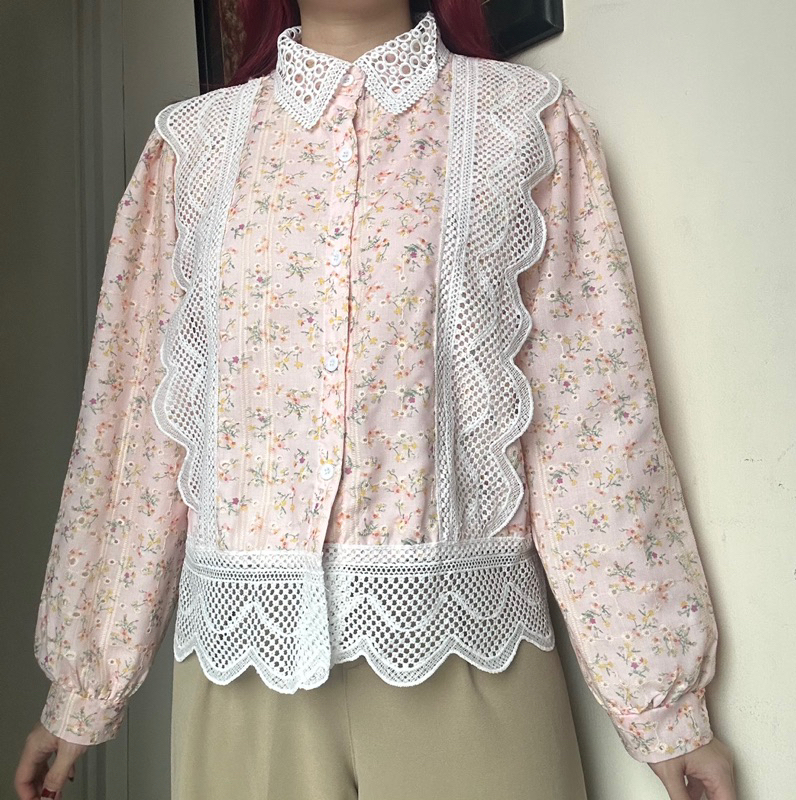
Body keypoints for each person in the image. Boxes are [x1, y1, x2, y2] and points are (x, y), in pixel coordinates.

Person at [15, 1, 738, 799]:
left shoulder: (523, 122)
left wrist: (664, 712)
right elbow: (131, 427)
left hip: (470, 653)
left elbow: (592, 417)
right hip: (245, 667)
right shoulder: (192, 148)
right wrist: (82, 689)